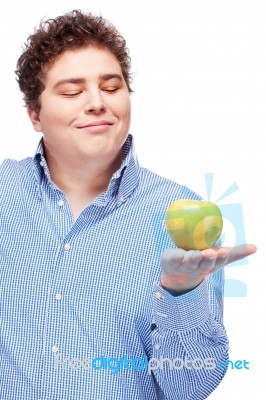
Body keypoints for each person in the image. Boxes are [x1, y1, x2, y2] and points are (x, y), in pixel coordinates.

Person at [0, 9, 256, 400]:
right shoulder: (4, 192)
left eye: (111, 87)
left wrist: (182, 291)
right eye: (72, 91)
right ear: (35, 115)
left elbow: (189, 387)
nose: (97, 103)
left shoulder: (180, 212)